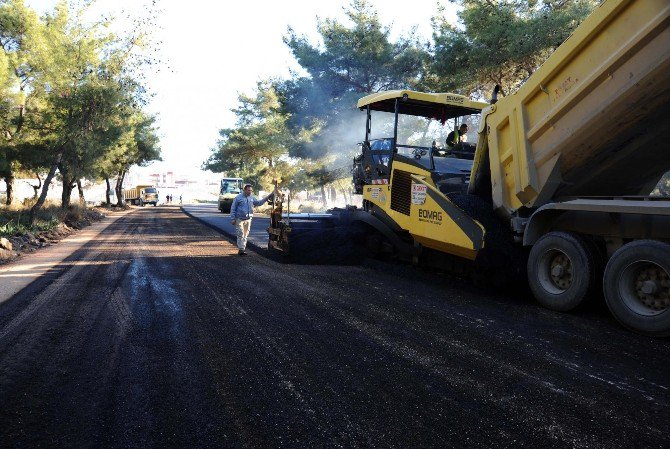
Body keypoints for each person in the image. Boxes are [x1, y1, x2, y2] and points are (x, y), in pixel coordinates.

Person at [230, 184, 277, 255]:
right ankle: (241, 249)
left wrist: (267, 198)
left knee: (245, 235)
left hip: (248, 219)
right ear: (244, 190)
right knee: (240, 234)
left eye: (251, 190)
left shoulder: (251, 198)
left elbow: (258, 203)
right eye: (248, 190)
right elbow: (233, 208)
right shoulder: (238, 198)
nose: (250, 192)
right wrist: (233, 218)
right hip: (239, 219)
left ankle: (242, 248)